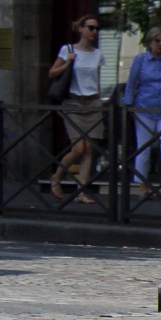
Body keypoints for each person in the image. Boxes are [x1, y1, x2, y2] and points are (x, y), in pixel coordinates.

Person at [122, 25, 161, 199]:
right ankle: (143, 185)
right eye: (157, 41)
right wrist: (127, 105)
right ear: (149, 42)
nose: (160, 44)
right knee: (144, 147)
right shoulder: (140, 60)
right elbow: (131, 83)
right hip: (144, 108)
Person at [47, 15, 105, 204]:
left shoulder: (98, 54)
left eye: (96, 28)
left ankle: (81, 192)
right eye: (90, 28)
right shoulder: (68, 49)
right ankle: (56, 177)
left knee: (89, 149)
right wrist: (67, 63)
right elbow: (51, 73)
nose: (94, 32)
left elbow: (97, 79)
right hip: (74, 103)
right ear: (80, 29)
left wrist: (100, 99)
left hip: (93, 103)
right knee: (79, 147)